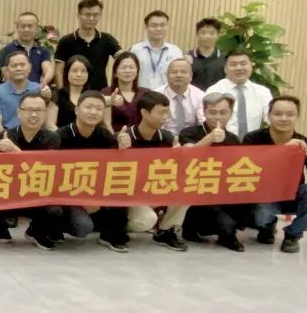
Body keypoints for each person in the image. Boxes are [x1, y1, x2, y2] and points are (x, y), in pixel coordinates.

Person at [0, 93, 63, 250]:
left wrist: (15, 151)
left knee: (55, 211)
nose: (34, 114)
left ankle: (36, 231)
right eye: (29, 110)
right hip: (9, 192)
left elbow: (46, 171)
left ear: (45, 113)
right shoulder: (4, 136)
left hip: (39, 193)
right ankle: (0, 232)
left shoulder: (53, 138)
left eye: (39, 110)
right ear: (18, 112)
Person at [243, 96, 307, 253]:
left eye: (290, 114)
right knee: (259, 214)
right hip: (262, 195)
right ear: (268, 116)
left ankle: (293, 234)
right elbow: (249, 172)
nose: (284, 118)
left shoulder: (305, 142)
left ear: (297, 117)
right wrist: (283, 151)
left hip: (293, 195)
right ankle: (267, 226)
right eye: (278, 114)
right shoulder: (253, 139)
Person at [57, 91, 127, 252]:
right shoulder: (61, 136)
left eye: (99, 109)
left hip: (95, 192)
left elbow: (115, 167)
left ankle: (111, 236)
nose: (93, 112)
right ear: (76, 110)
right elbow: (54, 175)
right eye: (88, 107)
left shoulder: (104, 135)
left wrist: (123, 146)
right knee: (83, 227)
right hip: (67, 195)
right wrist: (81, 200)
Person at [119, 91, 189, 252]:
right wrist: (121, 149)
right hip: (129, 195)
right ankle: (118, 227)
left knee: (187, 188)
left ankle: (166, 230)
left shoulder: (167, 137)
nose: (165, 117)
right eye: (161, 113)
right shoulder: (126, 136)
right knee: (146, 220)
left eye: (167, 112)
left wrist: (181, 154)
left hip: (156, 187)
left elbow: (180, 167)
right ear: (144, 113)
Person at [178, 92, 246, 251]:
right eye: (212, 112)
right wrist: (209, 139)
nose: (217, 117)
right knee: (219, 217)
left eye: (223, 113)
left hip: (223, 189)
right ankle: (222, 231)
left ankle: (227, 230)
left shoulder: (233, 139)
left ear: (230, 113)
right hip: (196, 189)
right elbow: (188, 155)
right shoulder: (189, 132)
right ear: (204, 112)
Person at [53, 0, 123, 91]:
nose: (91, 18)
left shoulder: (107, 40)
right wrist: (62, 94)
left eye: (96, 15)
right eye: (87, 14)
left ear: (100, 15)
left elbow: (123, 59)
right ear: (78, 15)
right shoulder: (66, 41)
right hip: (72, 94)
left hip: (99, 93)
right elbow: (58, 71)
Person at [206, 50, 273, 138]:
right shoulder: (214, 90)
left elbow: (271, 118)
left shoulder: (263, 92)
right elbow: (207, 120)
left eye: (243, 64)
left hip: (252, 142)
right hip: (223, 142)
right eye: (233, 64)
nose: (239, 68)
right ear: (225, 69)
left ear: (251, 67)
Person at [0, 51, 46, 137]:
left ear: (29, 67)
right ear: (7, 69)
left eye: (22, 65)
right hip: (9, 136)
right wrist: (3, 141)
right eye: (14, 66)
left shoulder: (39, 89)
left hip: (36, 136)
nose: (18, 68)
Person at [0, 12, 54, 88]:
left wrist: (44, 82)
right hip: (14, 90)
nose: (26, 29)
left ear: (36, 29)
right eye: (23, 26)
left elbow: (48, 69)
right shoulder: (7, 50)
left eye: (30, 26)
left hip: (37, 90)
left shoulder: (43, 51)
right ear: (17, 28)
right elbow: (6, 73)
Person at [130, 10, 182, 90]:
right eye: (154, 25)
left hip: (166, 95)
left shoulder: (175, 51)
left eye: (162, 25)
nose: (159, 28)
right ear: (146, 27)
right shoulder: (135, 50)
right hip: (141, 94)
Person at [154, 59, 205, 136]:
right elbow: (156, 124)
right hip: (164, 138)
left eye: (183, 72)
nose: (178, 75)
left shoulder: (200, 95)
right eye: (174, 72)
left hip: (192, 138)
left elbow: (203, 123)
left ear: (191, 76)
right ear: (167, 76)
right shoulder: (156, 95)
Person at [102, 52, 147, 132]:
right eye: (123, 67)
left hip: (140, 138)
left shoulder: (146, 93)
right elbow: (106, 124)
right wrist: (115, 138)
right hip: (113, 137)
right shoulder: (106, 93)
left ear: (137, 71)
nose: (127, 71)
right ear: (115, 72)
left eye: (131, 67)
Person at [47, 55, 90, 130]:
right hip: (61, 136)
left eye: (83, 71)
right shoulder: (57, 96)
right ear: (66, 73)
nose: (79, 75)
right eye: (74, 71)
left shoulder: (92, 96)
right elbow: (50, 124)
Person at [186, 18, 226, 91]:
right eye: (203, 33)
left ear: (218, 35)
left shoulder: (225, 58)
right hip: (194, 96)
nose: (207, 36)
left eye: (212, 33)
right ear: (197, 34)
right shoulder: (188, 57)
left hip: (217, 96)